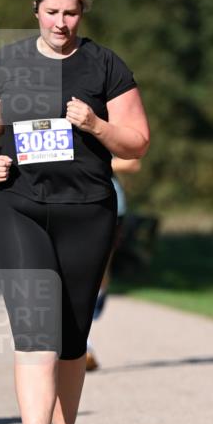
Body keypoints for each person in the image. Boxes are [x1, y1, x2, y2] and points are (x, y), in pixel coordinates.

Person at [0, 0, 150, 424]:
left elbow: (136, 141)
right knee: (35, 331)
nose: (61, 22)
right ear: (37, 12)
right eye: (52, 12)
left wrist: (94, 124)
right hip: (17, 207)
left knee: (71, 340)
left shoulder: (105, 66)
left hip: (87, 211)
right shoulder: (11, 62)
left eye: (71, 13)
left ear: (82, 14)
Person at [85, 155, 142, 371]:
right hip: (64, 202)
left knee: (98, 270)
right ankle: (83, 345)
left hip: (108, 203)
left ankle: (98, 297)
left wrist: (85, 159)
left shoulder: (103, 121)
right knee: (72, 274)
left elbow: (132, 161)